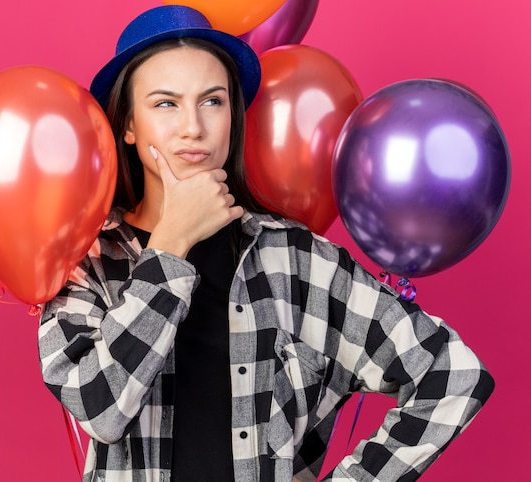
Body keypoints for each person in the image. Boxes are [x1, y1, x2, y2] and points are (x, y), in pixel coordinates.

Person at [38, 5, 494, 482]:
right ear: (129, 125)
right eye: (165, 103)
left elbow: (453, 374)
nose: (193, 126)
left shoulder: (298, 261)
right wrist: (170, 245)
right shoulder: (86, 264)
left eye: (212, 101)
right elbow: (101, 409)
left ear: (234, 115)